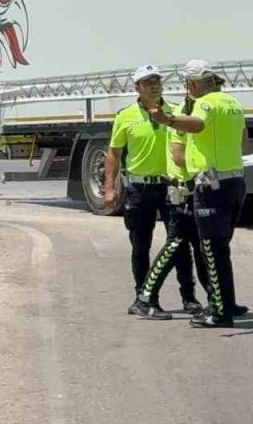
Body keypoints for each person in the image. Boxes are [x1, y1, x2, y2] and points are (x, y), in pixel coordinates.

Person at [149, 60, 248, 328]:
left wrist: (167, 119)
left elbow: (198, 125)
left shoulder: (204, 103)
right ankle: (226, 304)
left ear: (193, 85)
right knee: (220, 249)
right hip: (235, 181)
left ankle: (218, 312)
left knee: (210, 250)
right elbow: (243, 141)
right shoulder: (233, 104)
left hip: (210, 184)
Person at [105, 65, 200, 319]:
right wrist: (109, 188)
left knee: (179, 243)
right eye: (147, 82)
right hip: (139, 188)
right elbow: (114, 154)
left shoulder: (175, 113)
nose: (154, 85)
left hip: (170, 186)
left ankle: (189, 297)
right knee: (140, 246)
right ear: (137, 88)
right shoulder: (125, 116)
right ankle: (144, 297)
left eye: (157, 80)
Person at [130, 95, 212, 321]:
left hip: (190, 190)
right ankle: (145, 297)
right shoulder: (176, 120)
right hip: (178, 192)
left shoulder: (179, 116)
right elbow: (178, 157)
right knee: (172, 245)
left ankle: (204, 299)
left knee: (194, 247)